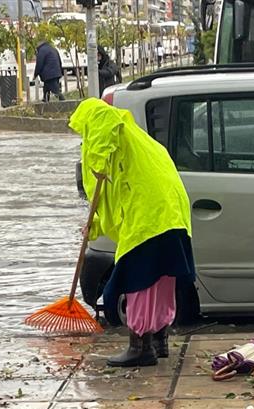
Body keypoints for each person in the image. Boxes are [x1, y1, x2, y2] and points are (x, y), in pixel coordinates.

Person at [70, 98, 195, 367]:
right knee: (161, 281)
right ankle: (159, 341)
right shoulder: (139, 144)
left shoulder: (109, 140)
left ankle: (140, 347)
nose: (84, 140)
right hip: (172, 216)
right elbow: (113, 198)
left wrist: (97, 157)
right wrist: (95, 227)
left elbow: (106, 188)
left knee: (137, 282)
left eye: (84, 132)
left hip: (148, 220)